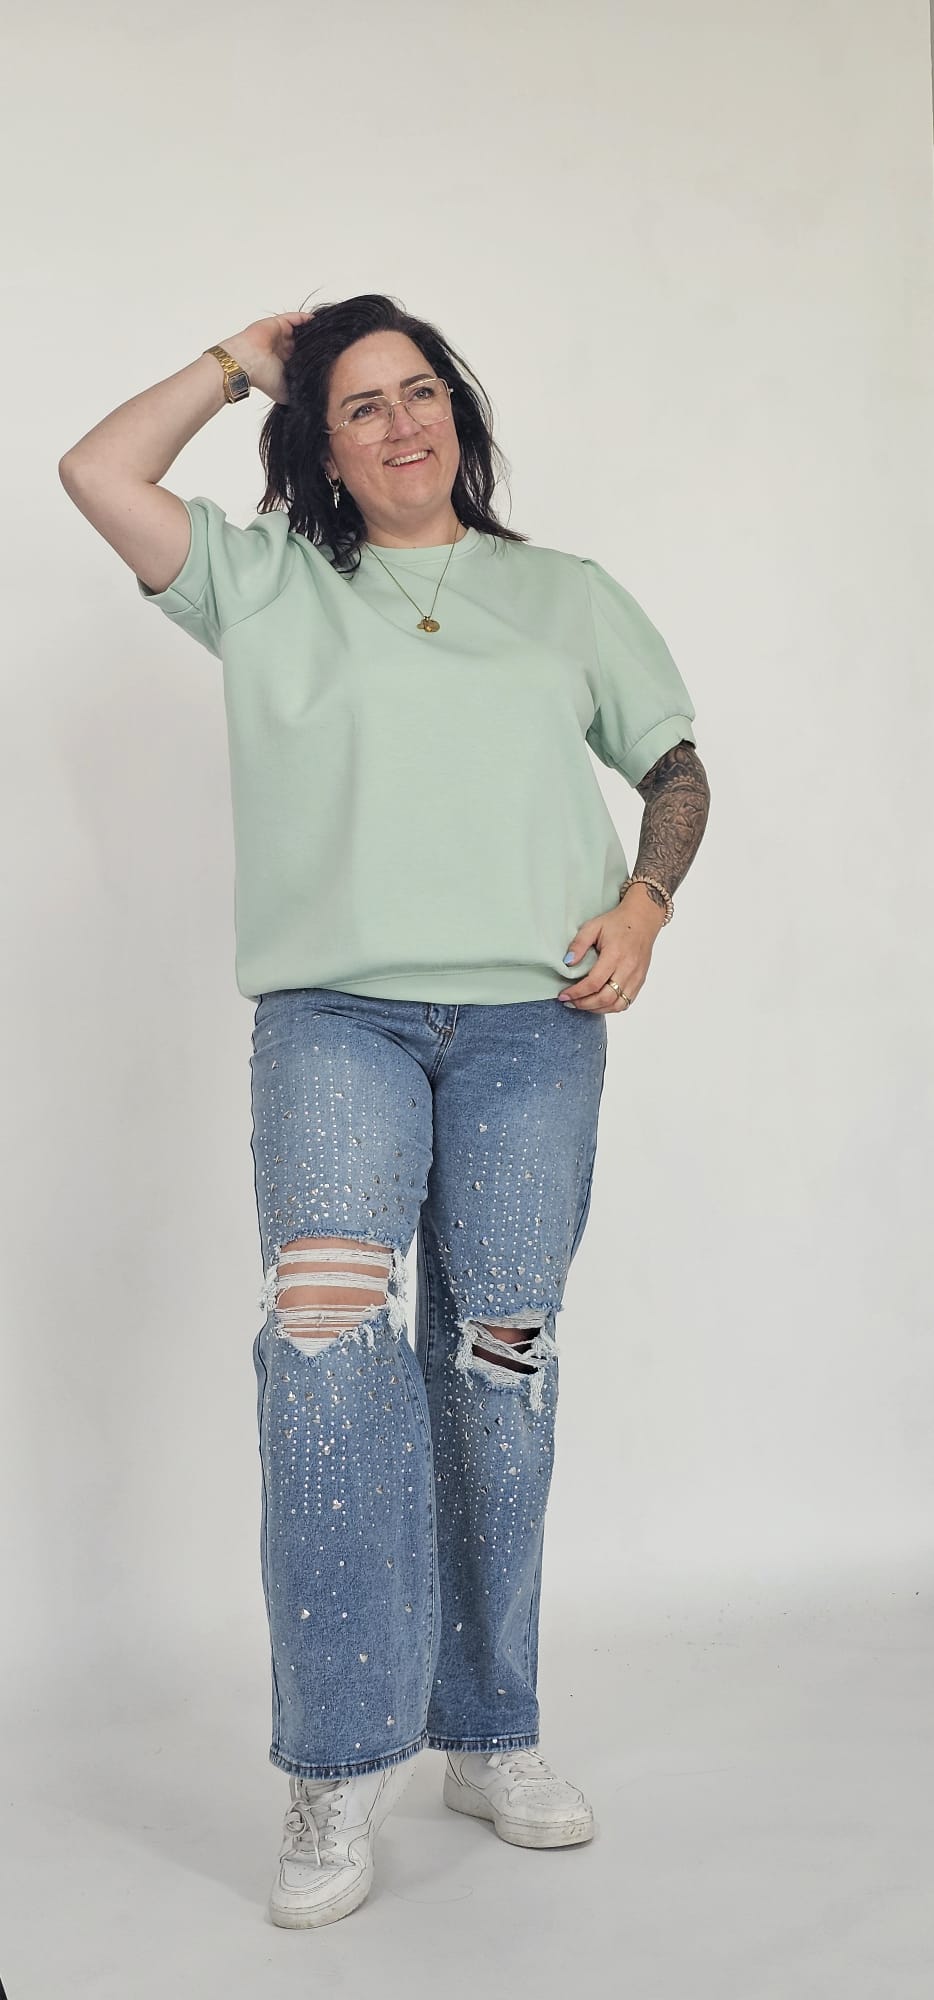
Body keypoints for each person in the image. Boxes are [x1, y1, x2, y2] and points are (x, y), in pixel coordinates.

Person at [58, 294, 711, 1930]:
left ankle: (486, 1732)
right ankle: (336, 1763)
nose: (403, 423)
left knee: (497, 1365)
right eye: (360, 405)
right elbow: (95, 471)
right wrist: (234, 364)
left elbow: (675, 768)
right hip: (335, 1019)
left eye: (422, 393)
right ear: (321, 446)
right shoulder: (264, 582)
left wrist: (643, 905)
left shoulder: (563, 594)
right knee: (325, 1344)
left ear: (459, 416)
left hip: (531, 1028)